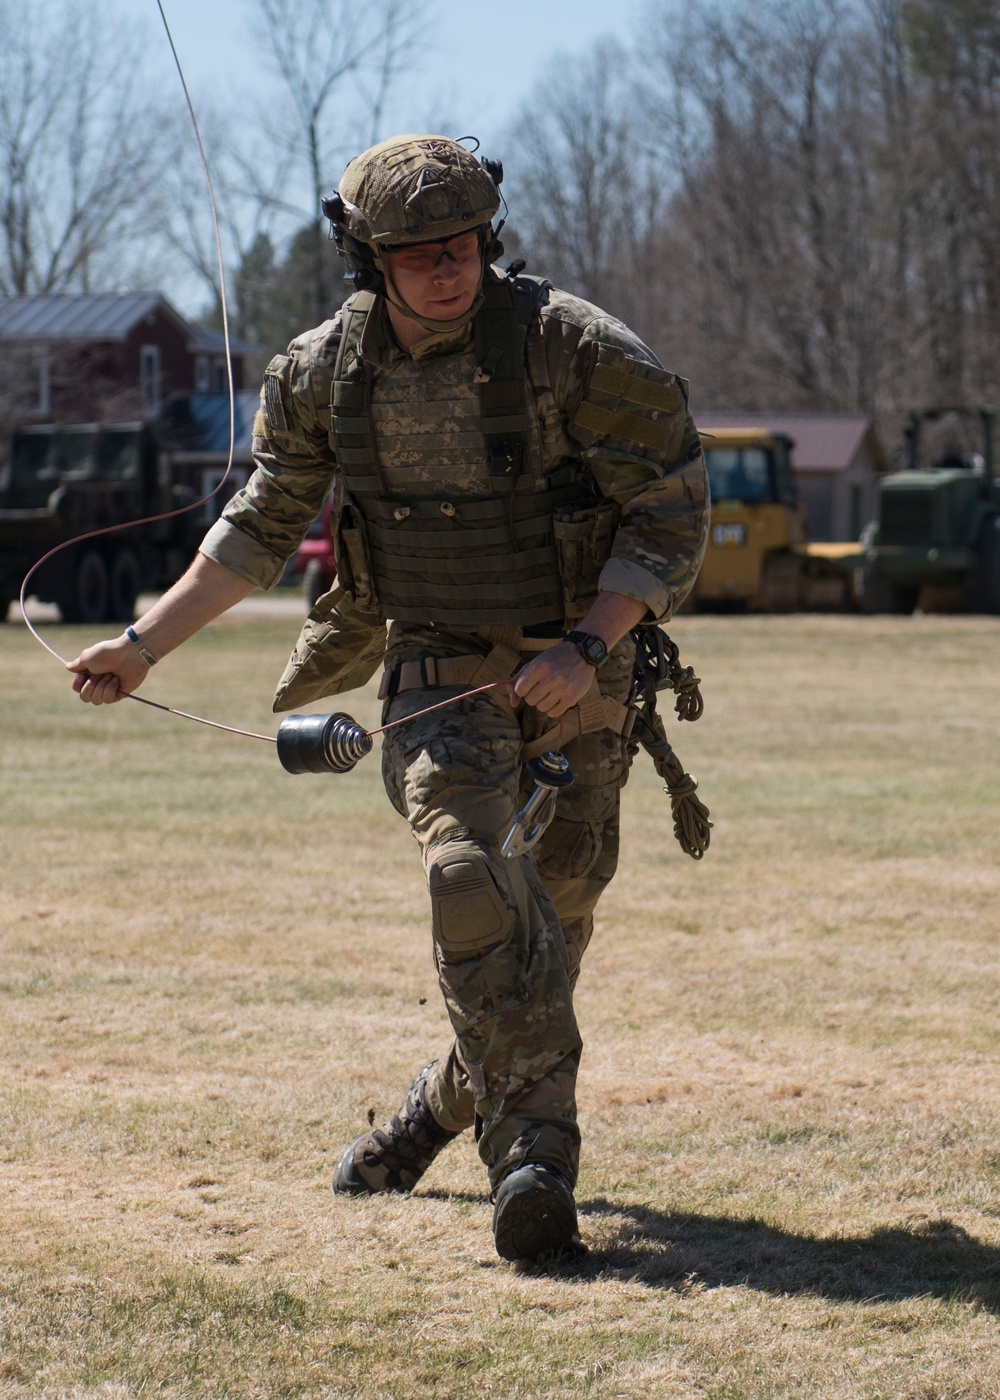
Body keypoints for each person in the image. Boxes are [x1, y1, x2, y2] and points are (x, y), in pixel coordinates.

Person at [69, 134, 709, 1263]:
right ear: (370, 254)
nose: (445, 266)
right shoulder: (324, 372)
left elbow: (669, 506)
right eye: (417, 251)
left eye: (460, 243)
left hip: (579, 662)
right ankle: (534, 1158)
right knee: (469, 875)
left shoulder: (574, 349)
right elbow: (261, 526)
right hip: (433, 660)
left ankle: (426, 1111)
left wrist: (589, 640)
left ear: (486, 237)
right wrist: (141, 645)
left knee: (541, 938)